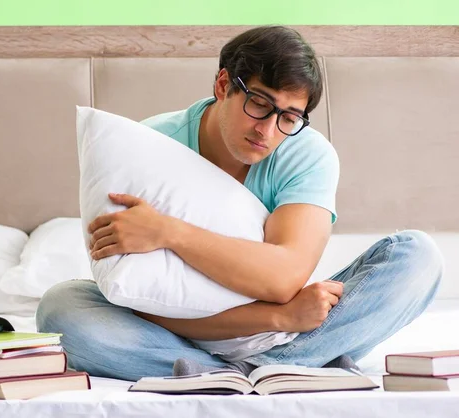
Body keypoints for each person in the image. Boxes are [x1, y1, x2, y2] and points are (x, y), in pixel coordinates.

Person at [36, 26, 443, 381]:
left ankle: (220, 373)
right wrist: (277, 315)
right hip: (173, 333)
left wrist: (169, 232)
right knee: (61, 308)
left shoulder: (307, 153)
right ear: (222, 85)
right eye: (259, 104)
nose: (267, 131)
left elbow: (282, 280)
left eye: (288, 117)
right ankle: (267, 372)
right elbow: (137, 300)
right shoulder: (146, 147)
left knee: (418, 257)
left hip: (287, 331)